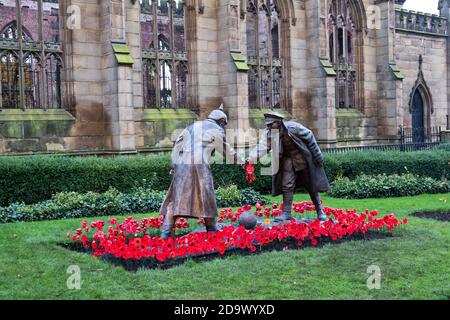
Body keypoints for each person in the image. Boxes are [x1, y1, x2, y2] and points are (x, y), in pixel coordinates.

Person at [159, 105, 244, 239]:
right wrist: (241, 161)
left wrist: (173, 165)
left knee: (176, 201)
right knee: (206, 197)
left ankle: (165, 235)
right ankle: (212, 231)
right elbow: (226, 149)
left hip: (181, 164)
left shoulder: (193, 126)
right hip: (199, 165)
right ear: (221, 122)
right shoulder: (215, 129)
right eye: (224, 124)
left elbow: (177, 145)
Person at [247, 112, 330, 222]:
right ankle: (286, 213)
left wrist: (318, 155)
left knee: (311, 184)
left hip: (302, 158)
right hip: (287, 159)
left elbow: (309, 136)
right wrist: (251, 158)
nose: (268, 127)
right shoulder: (270, 133)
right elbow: (262, 146)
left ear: (278, 122)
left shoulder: (293, 128)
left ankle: (320, 211)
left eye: (271, 124)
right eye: (267, 125)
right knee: (286, 185)